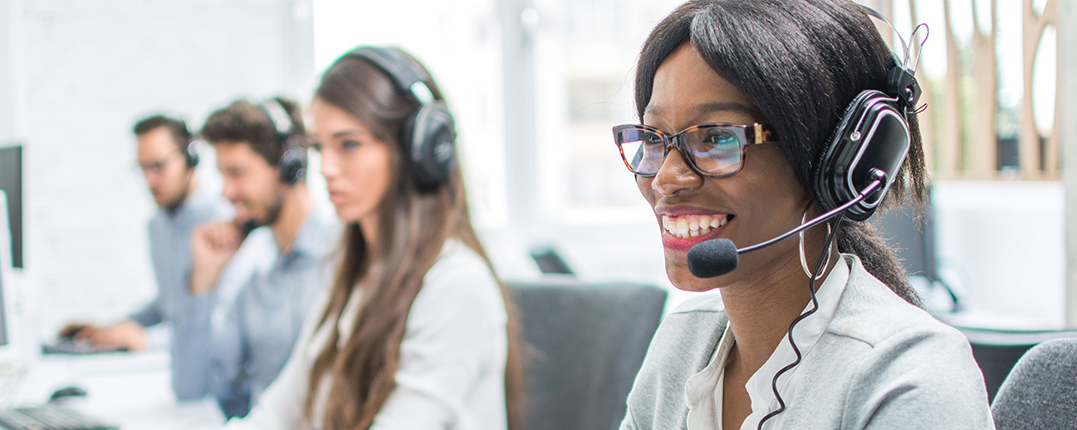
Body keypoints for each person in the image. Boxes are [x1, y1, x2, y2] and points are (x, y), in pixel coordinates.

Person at [615, 1, 994, 429]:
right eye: (653, 137)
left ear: (837, 160)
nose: (666, 177)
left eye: (717, 137)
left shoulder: (910, 375)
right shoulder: (682, 343)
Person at [223, 46, 523, 430]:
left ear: (418, 148)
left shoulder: (456, 286)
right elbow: (279, 414)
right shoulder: (351, 277)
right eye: (318, 147)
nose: (327, 168)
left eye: (349, 144)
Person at [180, 97, 339, 418]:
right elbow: (193, 389)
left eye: (237, 173)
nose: (226, 192)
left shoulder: (344, 260)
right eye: (223, 175)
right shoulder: (254, 279)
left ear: (288, 168)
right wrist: (204, 282)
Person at [58, 115, 231, 353]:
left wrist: (147, 340)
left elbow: (219, 323)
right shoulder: (157, 226)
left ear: (191, 159)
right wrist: (113, 330)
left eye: (158, 167)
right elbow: (168, 307)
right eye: (142, 168)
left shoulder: (222, 224)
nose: (149, 180)